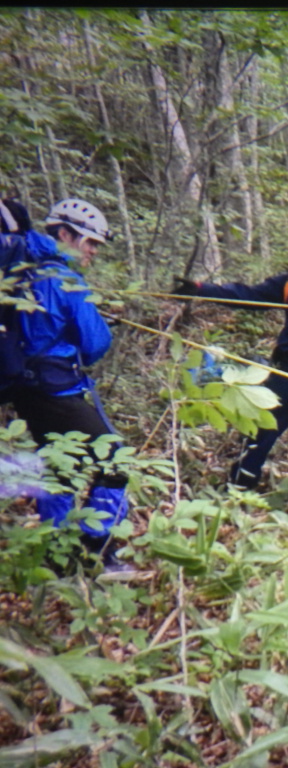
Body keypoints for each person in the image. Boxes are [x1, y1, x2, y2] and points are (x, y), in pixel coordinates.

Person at [171, 224, 288, 492]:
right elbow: (247, 296)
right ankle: (239, 489)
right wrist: (201, 289)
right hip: (287, 374)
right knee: (257, 431)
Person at [5, 198, 130, 570]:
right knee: (115, 461)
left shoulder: (24, 269)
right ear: (64, 234)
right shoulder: (64, 279)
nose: (93, 251)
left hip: (24, 391)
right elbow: (96, 343)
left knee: (59, 468)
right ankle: (101, 549)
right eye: (89, 242)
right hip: (57, 390)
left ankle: (54, 556)